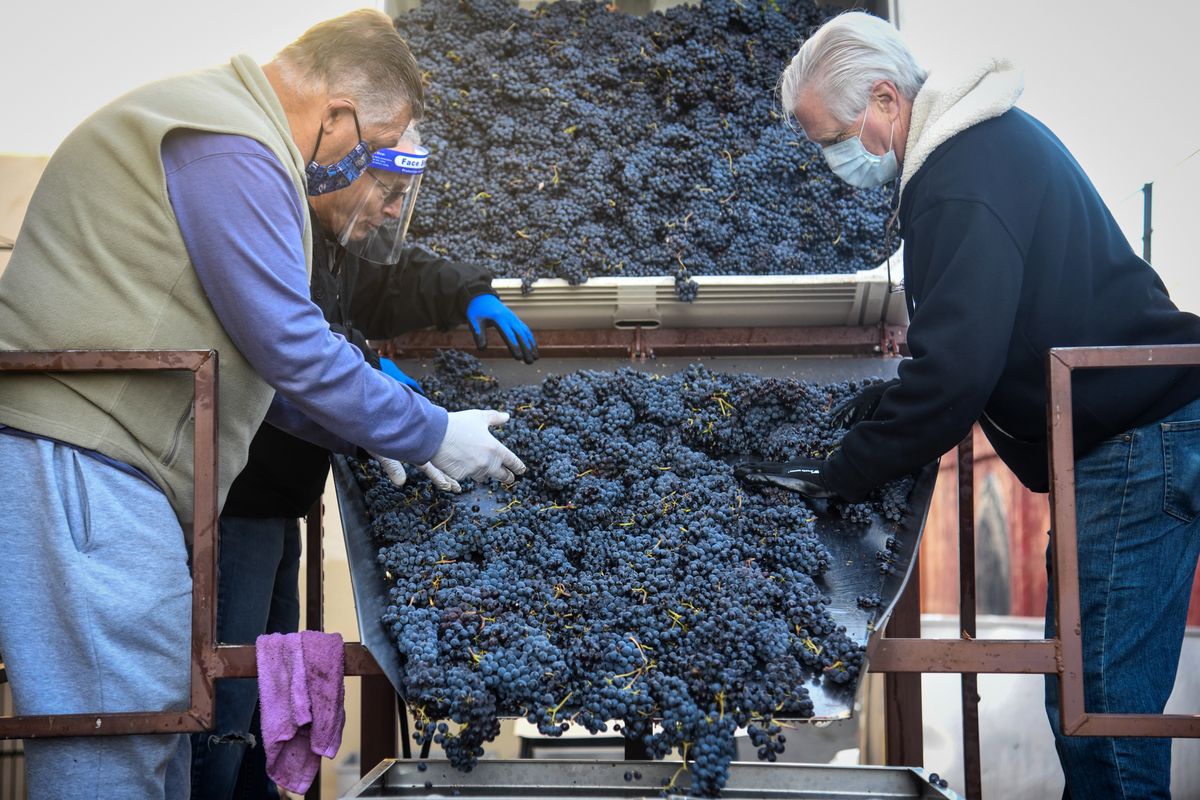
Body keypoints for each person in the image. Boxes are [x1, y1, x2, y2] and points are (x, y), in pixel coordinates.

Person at [0, 10, 524, 799]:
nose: (375, 196)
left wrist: (356, 427)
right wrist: (429, 434)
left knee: (156, 735)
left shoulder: (231, 132)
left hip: (107, 467)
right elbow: (287, 341)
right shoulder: (233, 143)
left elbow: (259, 369)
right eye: (374, 165)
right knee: (114, 740)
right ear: (339, 117)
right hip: (81, 462)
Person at [737, 12, 1200, 798]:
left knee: (1104, 715)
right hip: (1131, 441)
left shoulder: (961, 179)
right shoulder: (978, 153)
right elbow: (972, 345)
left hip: (1136, 441)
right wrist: (880, 410)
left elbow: (955, 377)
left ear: (885, 99)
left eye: (833, 139)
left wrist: (836, 472)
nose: (833, 163)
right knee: (1089, 705)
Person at [191, 126, 539, 799]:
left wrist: (468, 292)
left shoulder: (338, 244)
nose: (389, 207)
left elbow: (395, 275)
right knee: (230, 692)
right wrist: (368, 378)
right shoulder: (278, 227)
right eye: (385, 190)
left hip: (277, 503)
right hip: (234, 503)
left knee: (269, 678)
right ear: (335, 163)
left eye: (399, 195)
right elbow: (299, 341)